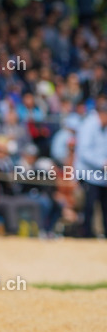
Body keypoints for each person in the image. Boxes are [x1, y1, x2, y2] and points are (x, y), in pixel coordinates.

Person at [75, 97, 107, 238]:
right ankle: (86, 235)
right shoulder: (88, 125)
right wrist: (102, 162)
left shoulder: (103, 126)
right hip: (88, 174)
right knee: (89, 207)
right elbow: (84, 152)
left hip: (102, 176)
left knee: (105, 207)